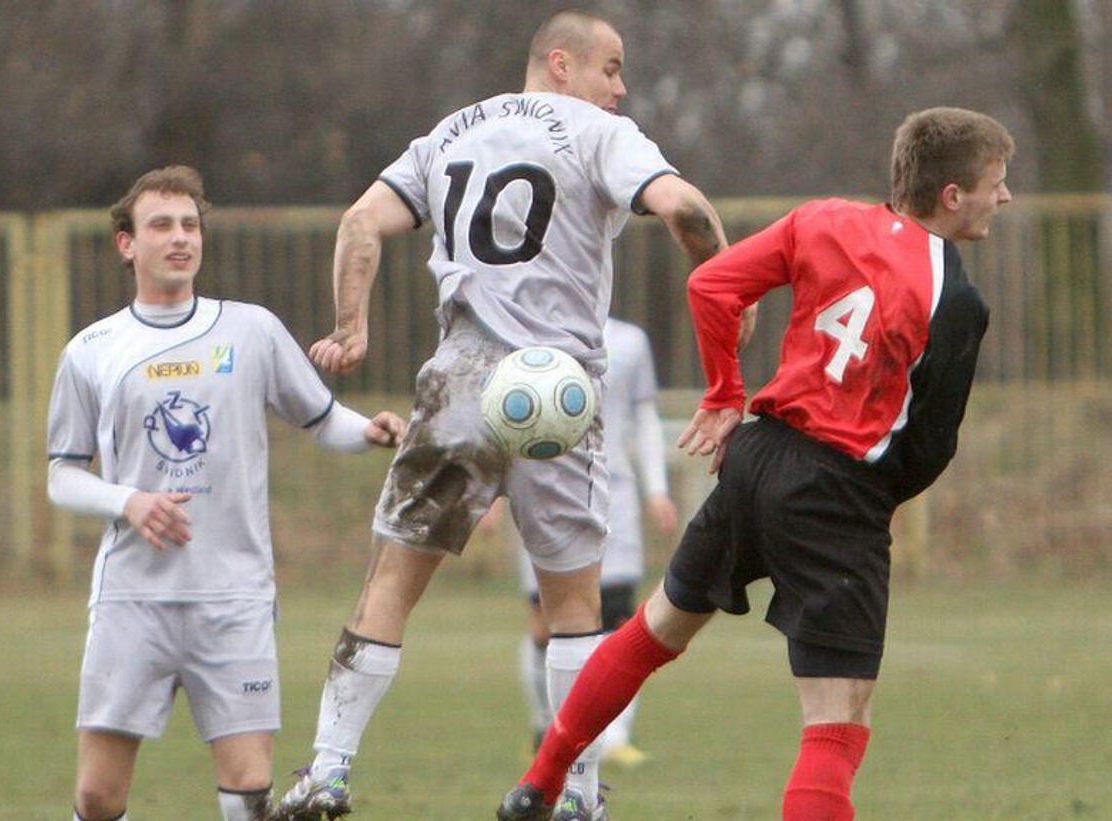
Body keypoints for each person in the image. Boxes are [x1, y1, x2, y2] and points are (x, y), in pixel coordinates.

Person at [271, 10, 732, 821]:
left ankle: (327, 772)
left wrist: (352, 327)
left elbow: (358, 222)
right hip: (560, 390)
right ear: (563, 63)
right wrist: (727, 291)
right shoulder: (597, 132)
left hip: (459, 380)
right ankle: (578, 795)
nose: (621, 88)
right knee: (574, 610)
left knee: (389, 585)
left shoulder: (449, 131)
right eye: (611, 67)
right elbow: (685, 208)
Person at [497, 106, 1015, 821]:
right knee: (838, 716)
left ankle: (539, 783)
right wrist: (876, 497)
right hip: (841, 489)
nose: (1006, 196)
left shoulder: (822, 219)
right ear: (953, 195)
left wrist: (725, 393)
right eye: (997, 182)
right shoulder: (957, 299)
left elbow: (712, 286)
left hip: (757, 454)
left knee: (652, 632)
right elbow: (932, 443)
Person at [46, 165, 405, 821]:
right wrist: (128, 501)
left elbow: (322, 418)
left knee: (248, 790)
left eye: (189, 224)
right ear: (127, 244)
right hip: (133, 598)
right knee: (98, 795)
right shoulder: (92, 350)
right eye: (161, 225)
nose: (180, 238)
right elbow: (62, 472)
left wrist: (372, 431)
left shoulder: (251, 330)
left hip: (234, 594)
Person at [511, 316, 678, 767]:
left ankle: (615, 736)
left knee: (618, 618)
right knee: (545, 622)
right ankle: (547, 724)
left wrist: (656, 490)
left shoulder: (630, 339)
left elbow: (643, 416)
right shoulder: (528, 329)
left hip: (614, 493)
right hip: (543, 490)